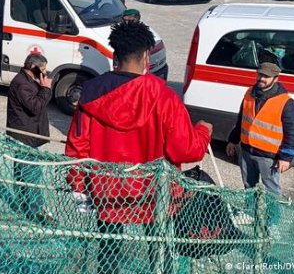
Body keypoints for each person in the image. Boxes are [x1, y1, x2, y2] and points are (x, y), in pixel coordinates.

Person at [65, 20, 212, 273]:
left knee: (108, 251)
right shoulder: (164, 96)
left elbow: (77, 148)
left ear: (115, 55)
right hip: (154, 193)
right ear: (146, 56)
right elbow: (187, 150)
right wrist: (203, 131)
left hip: (107, 190)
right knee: (160, 249)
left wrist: (79, 186)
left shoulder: (91, 92)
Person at [225, 62, 294, 197]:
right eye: (260, 74)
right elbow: (242, 119)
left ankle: (272, 218)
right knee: (249, 188)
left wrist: (286, 158)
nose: (262, 78)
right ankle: (251, 215)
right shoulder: (249, 93)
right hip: (247, 151)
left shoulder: (286, 103)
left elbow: (292, 133)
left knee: (272, 193)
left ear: (276, 79)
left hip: (269, 157)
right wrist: (233, 140)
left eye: (266, 76)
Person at [5, 53, 53, 221]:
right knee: (31, 174)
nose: (45, 74)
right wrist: (46, 89)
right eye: (43, 70)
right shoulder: (22, 84)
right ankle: (36, 210)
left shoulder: (26, 81)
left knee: (22, 172)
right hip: (24, 135)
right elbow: (35, 106)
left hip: (23, 133)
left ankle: (25, 206)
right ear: (35, 67)